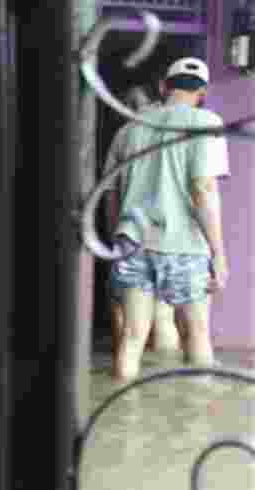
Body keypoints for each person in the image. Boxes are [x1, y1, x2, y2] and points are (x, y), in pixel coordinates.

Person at [104, 58, 230, 382]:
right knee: (197, 334)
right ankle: (198, 422)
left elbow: (110, 194)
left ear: (163, 86)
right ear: (202, 92)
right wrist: (218, 254)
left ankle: (121, 421)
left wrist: (116, 239)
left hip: (133, 242)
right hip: (185, 245)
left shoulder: (128, 130)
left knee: (132, 336)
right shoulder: (206, 123)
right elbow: (203, 188)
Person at [106, 85, 182, 357]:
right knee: (164, 318)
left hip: (132, 234)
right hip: (172, 234)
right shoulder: (180, 128)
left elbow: (110, 193)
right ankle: (167, 385)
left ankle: (125, 384)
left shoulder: (124, 134)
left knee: (127, 323)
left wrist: (113, 233)